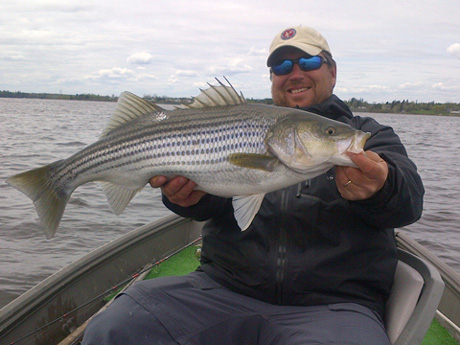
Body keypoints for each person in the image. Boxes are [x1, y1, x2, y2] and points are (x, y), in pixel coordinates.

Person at [82, 26, 424, 345]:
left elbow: (410, 202)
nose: (295, 72)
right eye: (281, 66)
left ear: (332, 71)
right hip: (221, 290)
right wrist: (184, 198)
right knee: (114, 328)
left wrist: (382, 187)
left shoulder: (368, 136)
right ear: (273, 79)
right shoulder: (245, 124)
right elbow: (212, 202)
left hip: (334, 307)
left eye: (308, 61)